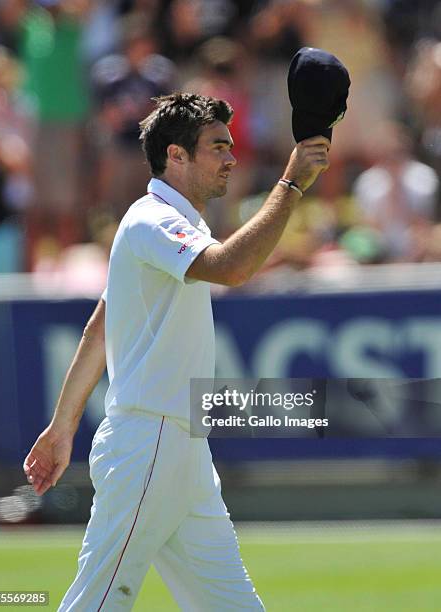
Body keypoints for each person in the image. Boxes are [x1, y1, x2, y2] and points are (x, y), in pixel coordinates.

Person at [23, 92, 330, 611]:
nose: (232, 158)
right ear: (176, 155)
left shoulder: (169, 223)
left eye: (230, 146)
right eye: (217, 146)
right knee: (98, 603)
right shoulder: (152, 220)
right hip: (151, 440)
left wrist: (62, 427)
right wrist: (291, 183)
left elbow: (99, 331)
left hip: (180, 446)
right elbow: (232, 268)